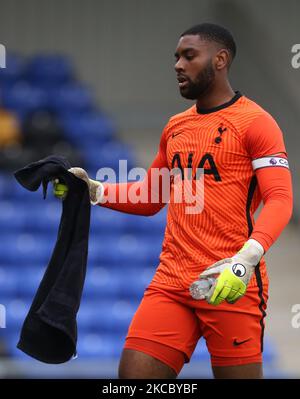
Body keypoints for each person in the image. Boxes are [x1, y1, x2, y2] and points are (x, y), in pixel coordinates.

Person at [54, 23, 293, 379]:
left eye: (189, 56)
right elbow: (152, 194)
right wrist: (95, 190)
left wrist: (246, 259)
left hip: (230, 282)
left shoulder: (257, 123)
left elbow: (280, 198)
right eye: (176, 57)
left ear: (221, 59)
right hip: (172, 283)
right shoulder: (176, 127)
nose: (178, 64)